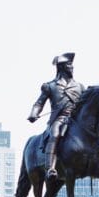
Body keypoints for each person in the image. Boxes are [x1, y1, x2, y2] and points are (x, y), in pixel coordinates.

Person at [27, 52, 85, 181]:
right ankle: (50, 168)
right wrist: (33, 113)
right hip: (59, 119)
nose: (72, 67)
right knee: (55, 135)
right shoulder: (50, 86)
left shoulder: (79, 86)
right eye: (70, 65)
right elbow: (39, 103)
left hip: (75, 120)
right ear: (63, 67)